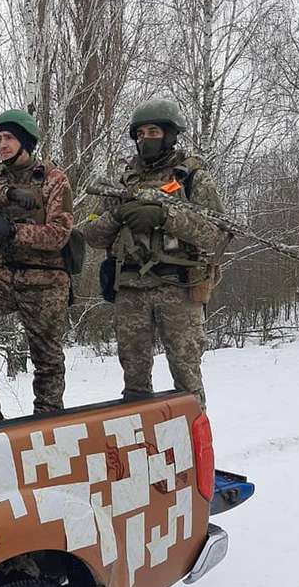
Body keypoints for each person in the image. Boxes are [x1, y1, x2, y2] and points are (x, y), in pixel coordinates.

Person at [83, 97, 225, 408]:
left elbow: (215, 232)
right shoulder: (123, 181)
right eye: (140, 133)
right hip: (131, 290)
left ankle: (195, 449)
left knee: (187, 382)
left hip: (178, 288)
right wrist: (120, 216)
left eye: (153, 131)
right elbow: (91, 232)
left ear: (170, 134)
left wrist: (165, 217)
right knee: (134, 386)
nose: (145, 139)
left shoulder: (191, 176)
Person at [0, 109, 74, 422]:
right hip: (5, 277)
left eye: (9, 137)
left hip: (46, 281)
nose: (2, 144)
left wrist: (14, 231)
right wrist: (6, 193)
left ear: (25, 141)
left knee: (47, 360)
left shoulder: (53, 180)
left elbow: (59, 234)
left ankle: (48, 423)